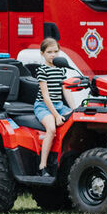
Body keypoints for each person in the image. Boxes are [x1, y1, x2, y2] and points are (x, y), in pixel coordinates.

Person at [35, 37, 72, 176]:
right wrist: (56, 115)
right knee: (51, 129)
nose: (53, 55)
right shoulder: (42, 70)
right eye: (49, 52)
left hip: (59, 105)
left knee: (74, 122)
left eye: (56, 51)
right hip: (43, 106)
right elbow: (45, 96)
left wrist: (74, 109)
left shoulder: (61, 69)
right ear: (42, 53)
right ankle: (42, 166)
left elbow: (66, 91)